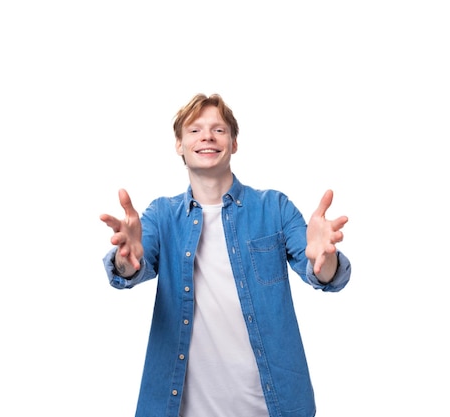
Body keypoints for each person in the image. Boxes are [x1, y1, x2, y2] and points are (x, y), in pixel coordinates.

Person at [100, 93, 351, 417]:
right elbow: (131, 267)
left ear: (233, 143)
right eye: (194, 130)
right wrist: (125, 258)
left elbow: (321, 271)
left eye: (218, 129)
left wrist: (325, 260)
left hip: (272, 407)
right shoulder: (161, 216)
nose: (206, 136)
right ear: (179, 144)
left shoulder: (274, 208)